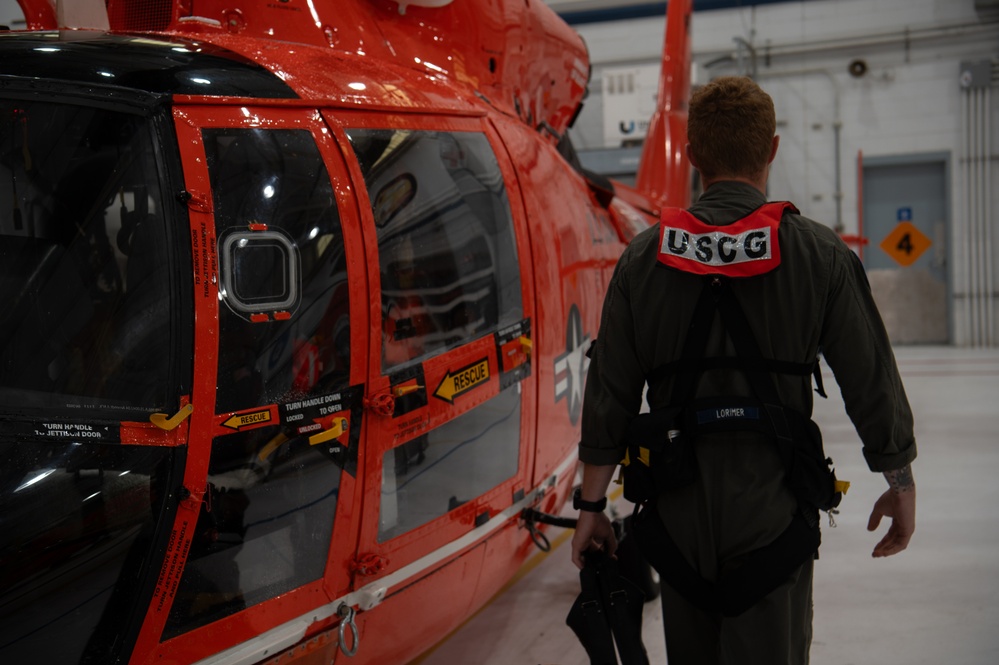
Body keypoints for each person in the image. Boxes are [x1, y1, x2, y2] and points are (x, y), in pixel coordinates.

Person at [570, 75, 917, 665]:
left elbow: (611, 394)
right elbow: (870, 378)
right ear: (773, 150)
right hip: (772, 516)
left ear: (694, 156)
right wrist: (899, 481)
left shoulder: (643, 259)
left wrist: (592, 508)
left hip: (676, 520)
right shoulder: (820, 254)